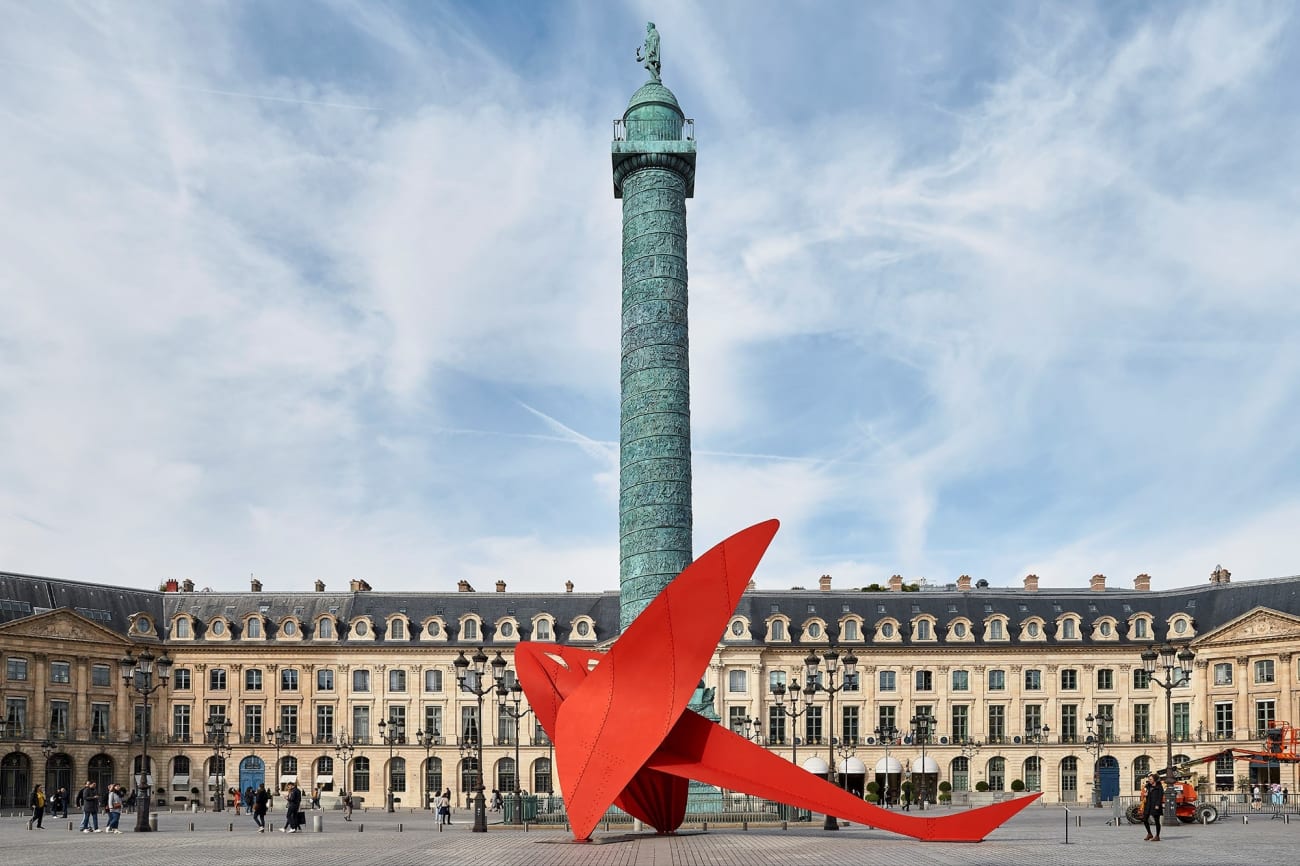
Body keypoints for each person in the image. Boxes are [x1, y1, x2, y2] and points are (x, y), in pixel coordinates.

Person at [1141, 773, 1163, 841]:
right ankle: (1149, 833)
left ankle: (1157, 836)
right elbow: (1143, 792)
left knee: (1157, 821)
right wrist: (1145, 794)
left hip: (1155, 805)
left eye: (1151, 779)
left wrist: (1157, 805)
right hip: (1148, 805)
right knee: (1144, 819)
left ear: (1155, 780)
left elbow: (1160, 797)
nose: (1149, 780)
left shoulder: (1159, 787)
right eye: (1149, 779)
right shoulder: (1148, 786)